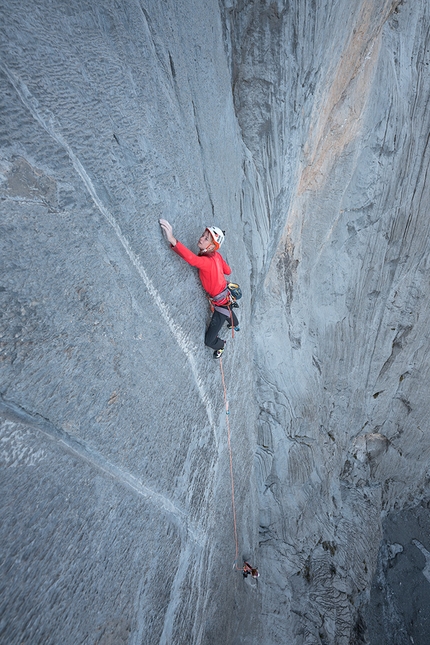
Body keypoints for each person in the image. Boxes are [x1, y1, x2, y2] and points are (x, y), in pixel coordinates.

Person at [159, 219, 239, 359]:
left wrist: (172, 239)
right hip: (225, 296)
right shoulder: (217, 256)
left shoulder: (207, 262)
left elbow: (192, 260)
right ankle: (235, 324)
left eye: (206, 238)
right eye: (203, 235)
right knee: (228, 310)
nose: (201, 238)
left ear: (212, 246)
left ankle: (221, 345)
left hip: (221, 304)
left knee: (209, 341)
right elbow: (228, 271)